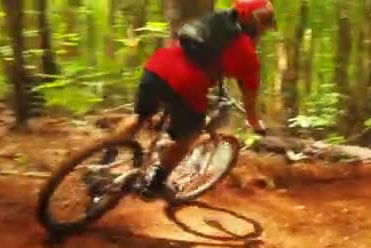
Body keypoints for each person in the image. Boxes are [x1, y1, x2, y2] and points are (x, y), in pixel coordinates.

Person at [112, 0, 276, 198]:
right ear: (252, 22)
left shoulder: (212, 22)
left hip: (159, 64)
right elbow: (249, 96)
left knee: (139, 117)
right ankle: (154, 184)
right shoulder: (246, 52)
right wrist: (253, 121)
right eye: (264, 24)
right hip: (188, 83)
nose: (263, 31)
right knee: (188, 136)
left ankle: (103, 163)